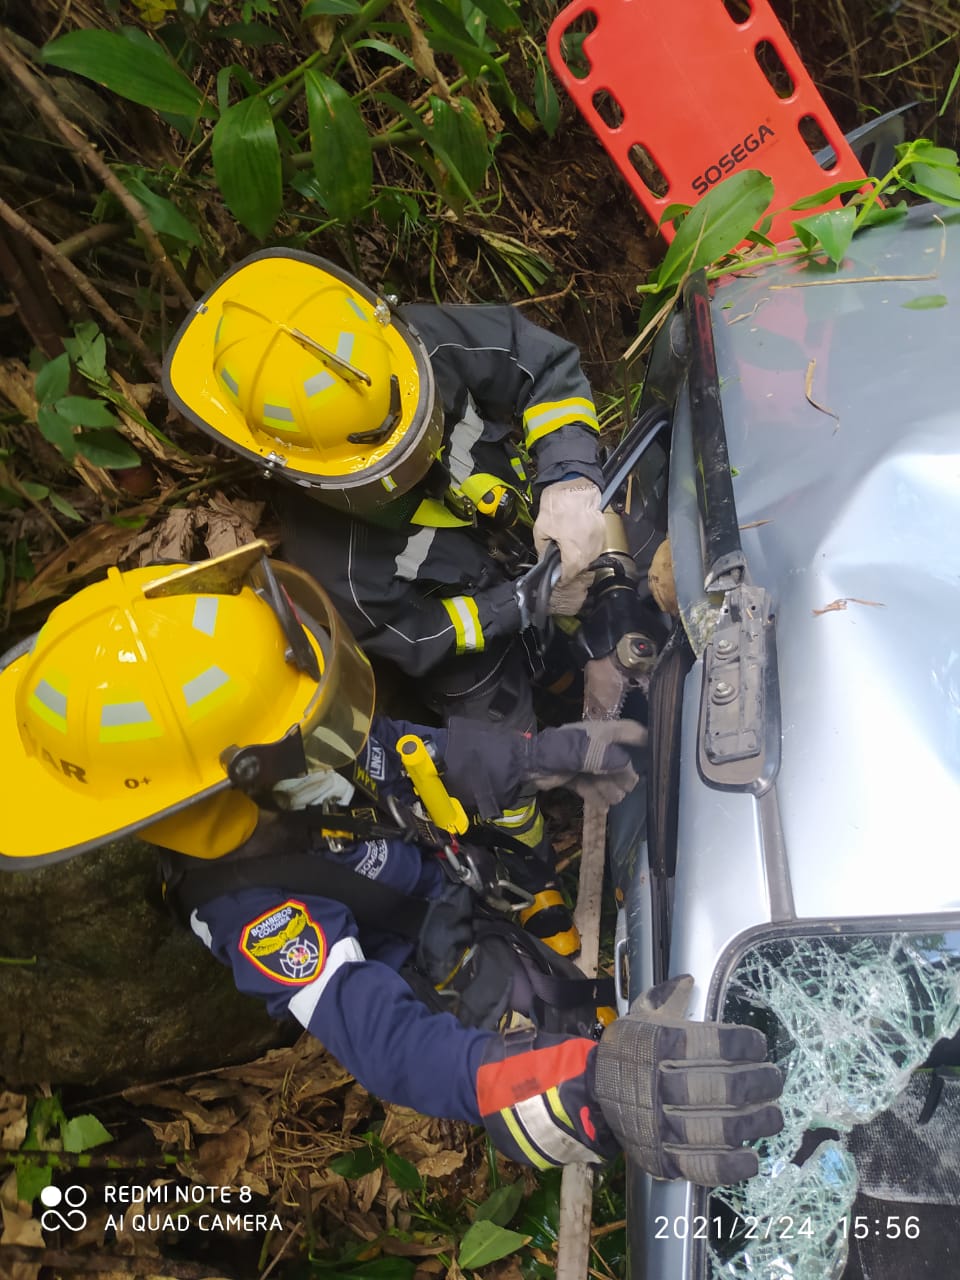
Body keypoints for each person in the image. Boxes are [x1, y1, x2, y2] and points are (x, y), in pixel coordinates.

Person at [0, 545, 782, 1180]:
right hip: (445, 968)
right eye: (300, 730)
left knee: (550, 948)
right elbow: (382, 1039)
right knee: (564, 1038)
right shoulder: (250, 912)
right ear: (228, 784)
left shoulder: (278, 752)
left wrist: (545, 755)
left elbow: (401, 755)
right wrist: (583, 1089)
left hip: (452, 876)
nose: (324, 730)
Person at [162, 250, 614, 956]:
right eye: (385, 462)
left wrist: (570, 476)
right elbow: (415, 638)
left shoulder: (421, 347)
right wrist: (511, 610)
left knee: (588, 623)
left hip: (539, 531)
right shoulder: (335, 562)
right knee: (495, 745)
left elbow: (545, 364)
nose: (414, 452)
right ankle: (527, 867)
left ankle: (569, 667)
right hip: (474, 648)